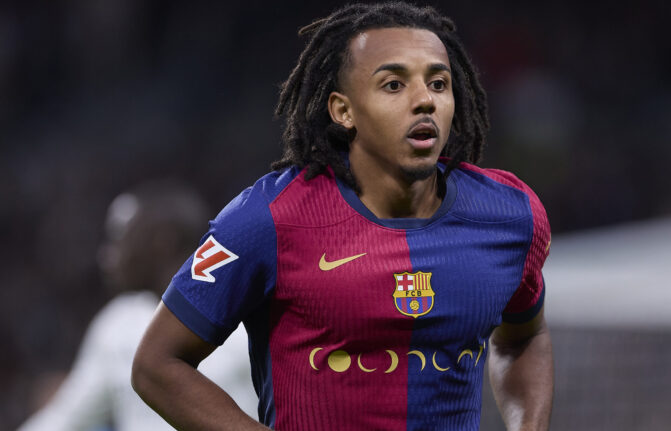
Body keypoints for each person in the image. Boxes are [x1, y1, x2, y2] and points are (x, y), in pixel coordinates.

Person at [131, 3, 553, 430]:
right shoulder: (267, 219)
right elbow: (157, 364)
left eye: (438, 83)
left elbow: (523, 338)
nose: (424, 100)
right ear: (343, 110)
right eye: (393, 84)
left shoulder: (510, 215)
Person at [19, 182, 258, 431]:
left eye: (119, 238)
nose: (108, 255)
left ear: (162, 242)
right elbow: (65, 419)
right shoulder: (117, 324)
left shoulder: (243, 320)